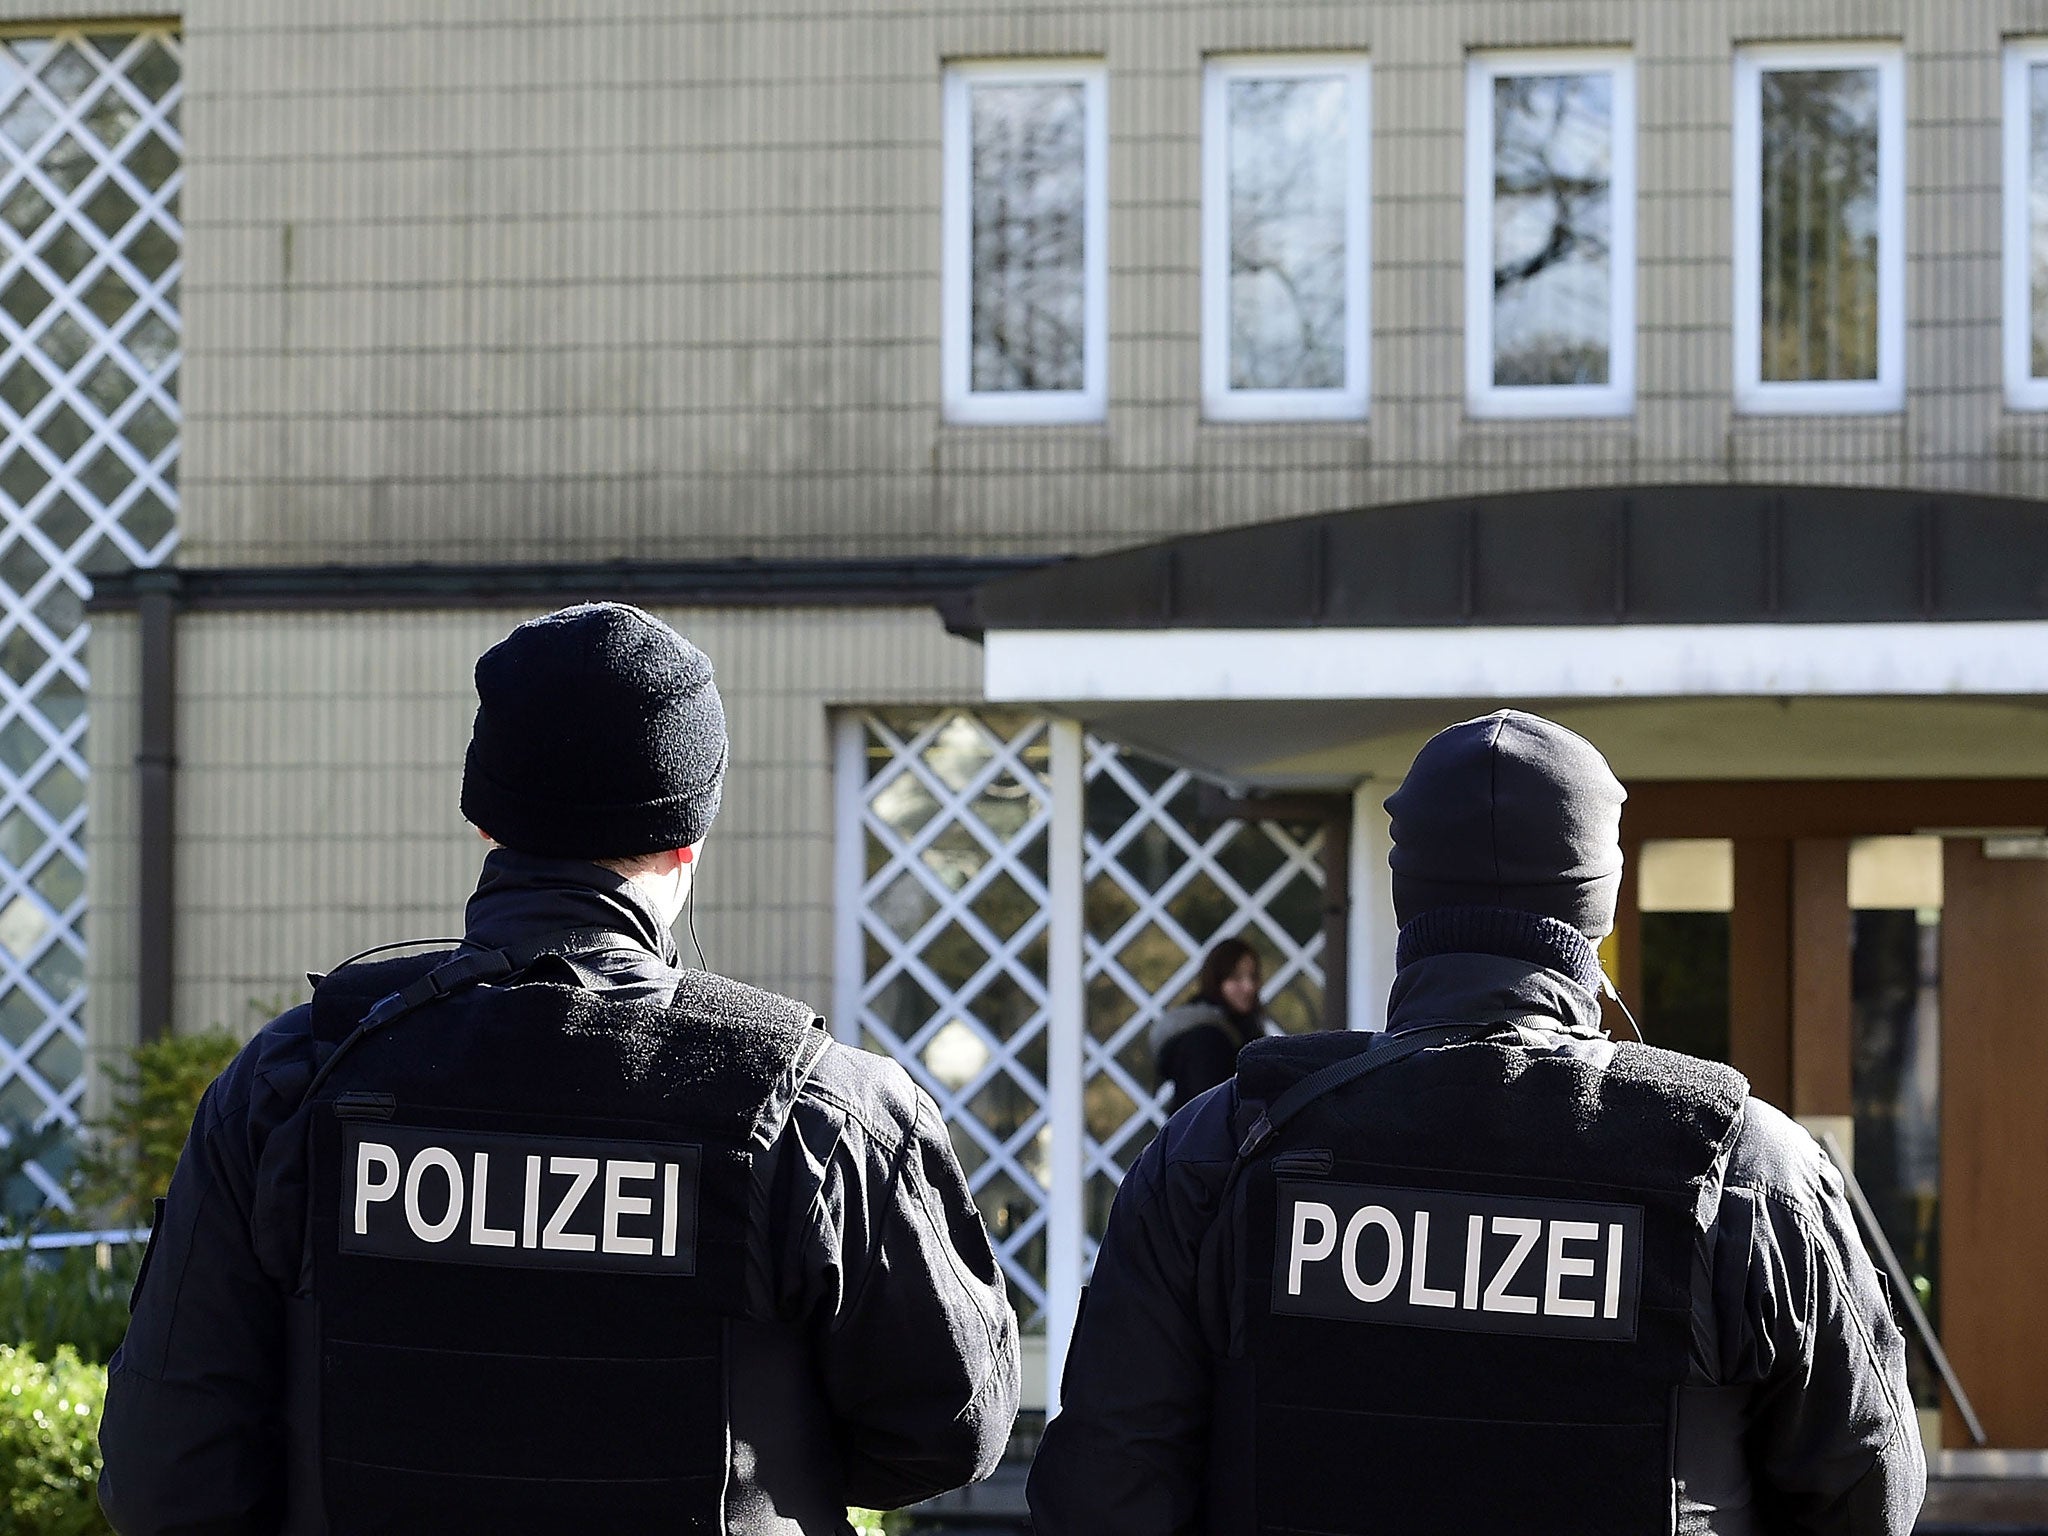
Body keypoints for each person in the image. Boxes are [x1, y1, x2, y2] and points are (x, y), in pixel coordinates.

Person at [99, 602, 1021, 1536]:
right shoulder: (818, 1107)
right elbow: (947, 1433)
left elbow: (164, 1477)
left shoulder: (295, 1080)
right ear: (686, 840)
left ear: (486, 822)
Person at [1029, 709, 1925, 1536]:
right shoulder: (1742, 1167)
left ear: (1406, 894)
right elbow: (1868, 1494)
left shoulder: (1223, 1146)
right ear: (1597, 906)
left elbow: (1102, 1494)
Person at [1151, 938, 1277, 1112]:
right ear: (1216, 981)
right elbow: (1210, 1110)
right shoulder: (1206, 1038)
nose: (1249, 987)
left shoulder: (1236, 1028)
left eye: (1253, 976)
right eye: (1236, 978)